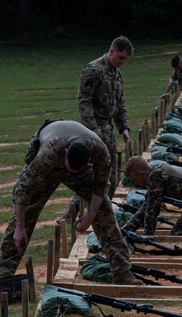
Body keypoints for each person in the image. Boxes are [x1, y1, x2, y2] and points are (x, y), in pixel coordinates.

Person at [0, 120, 141, 285]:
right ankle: (2, 275)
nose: (68, 174)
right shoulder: (48, 154)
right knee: (24, 215)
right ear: (65, 152)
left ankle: (122, 272)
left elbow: (100, 187)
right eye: (68, 168)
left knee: (104, 211)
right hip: (50, 165)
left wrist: (90, 217)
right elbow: (24, 188)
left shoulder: (100, 152)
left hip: (75, 162)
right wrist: (19, 227)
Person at [78, 36, 133, 199]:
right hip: (94, 130)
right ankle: (81, 210)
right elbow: (84, 101)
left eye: (126, 59)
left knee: (110, 174)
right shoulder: (93, 70)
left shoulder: (117, 75)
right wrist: (93, 130)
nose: (122, 62)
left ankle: (104, 209)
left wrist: (124, 128)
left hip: (108, 129)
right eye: (121, 57)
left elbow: (120, 104)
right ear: (111, 51)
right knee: (92, 173)